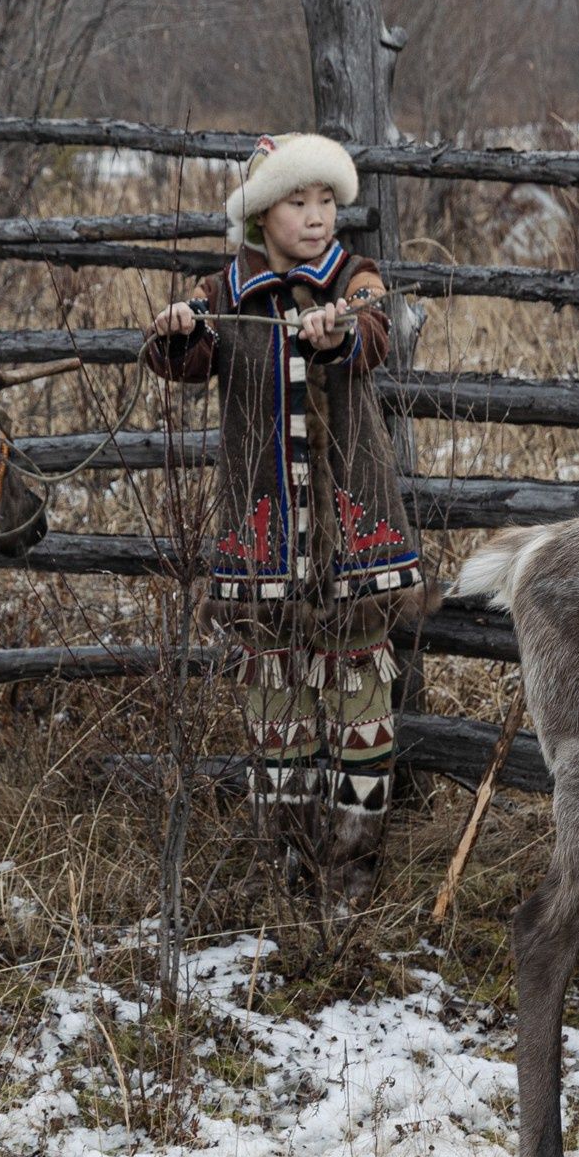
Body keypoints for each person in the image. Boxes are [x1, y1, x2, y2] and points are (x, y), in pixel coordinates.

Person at [144, 132, 430, 910]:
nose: (317, 217)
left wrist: (340, 334)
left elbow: (373, 331)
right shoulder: (227, 289)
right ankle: (289, 873)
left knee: (358, 696)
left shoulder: (352, 278)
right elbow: (180, 360)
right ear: (261, 213)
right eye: (298, 202)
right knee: (277, 705)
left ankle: (351, 875)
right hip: (260, 536)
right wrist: (176, 328)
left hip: (352, 531)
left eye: (327, 201)